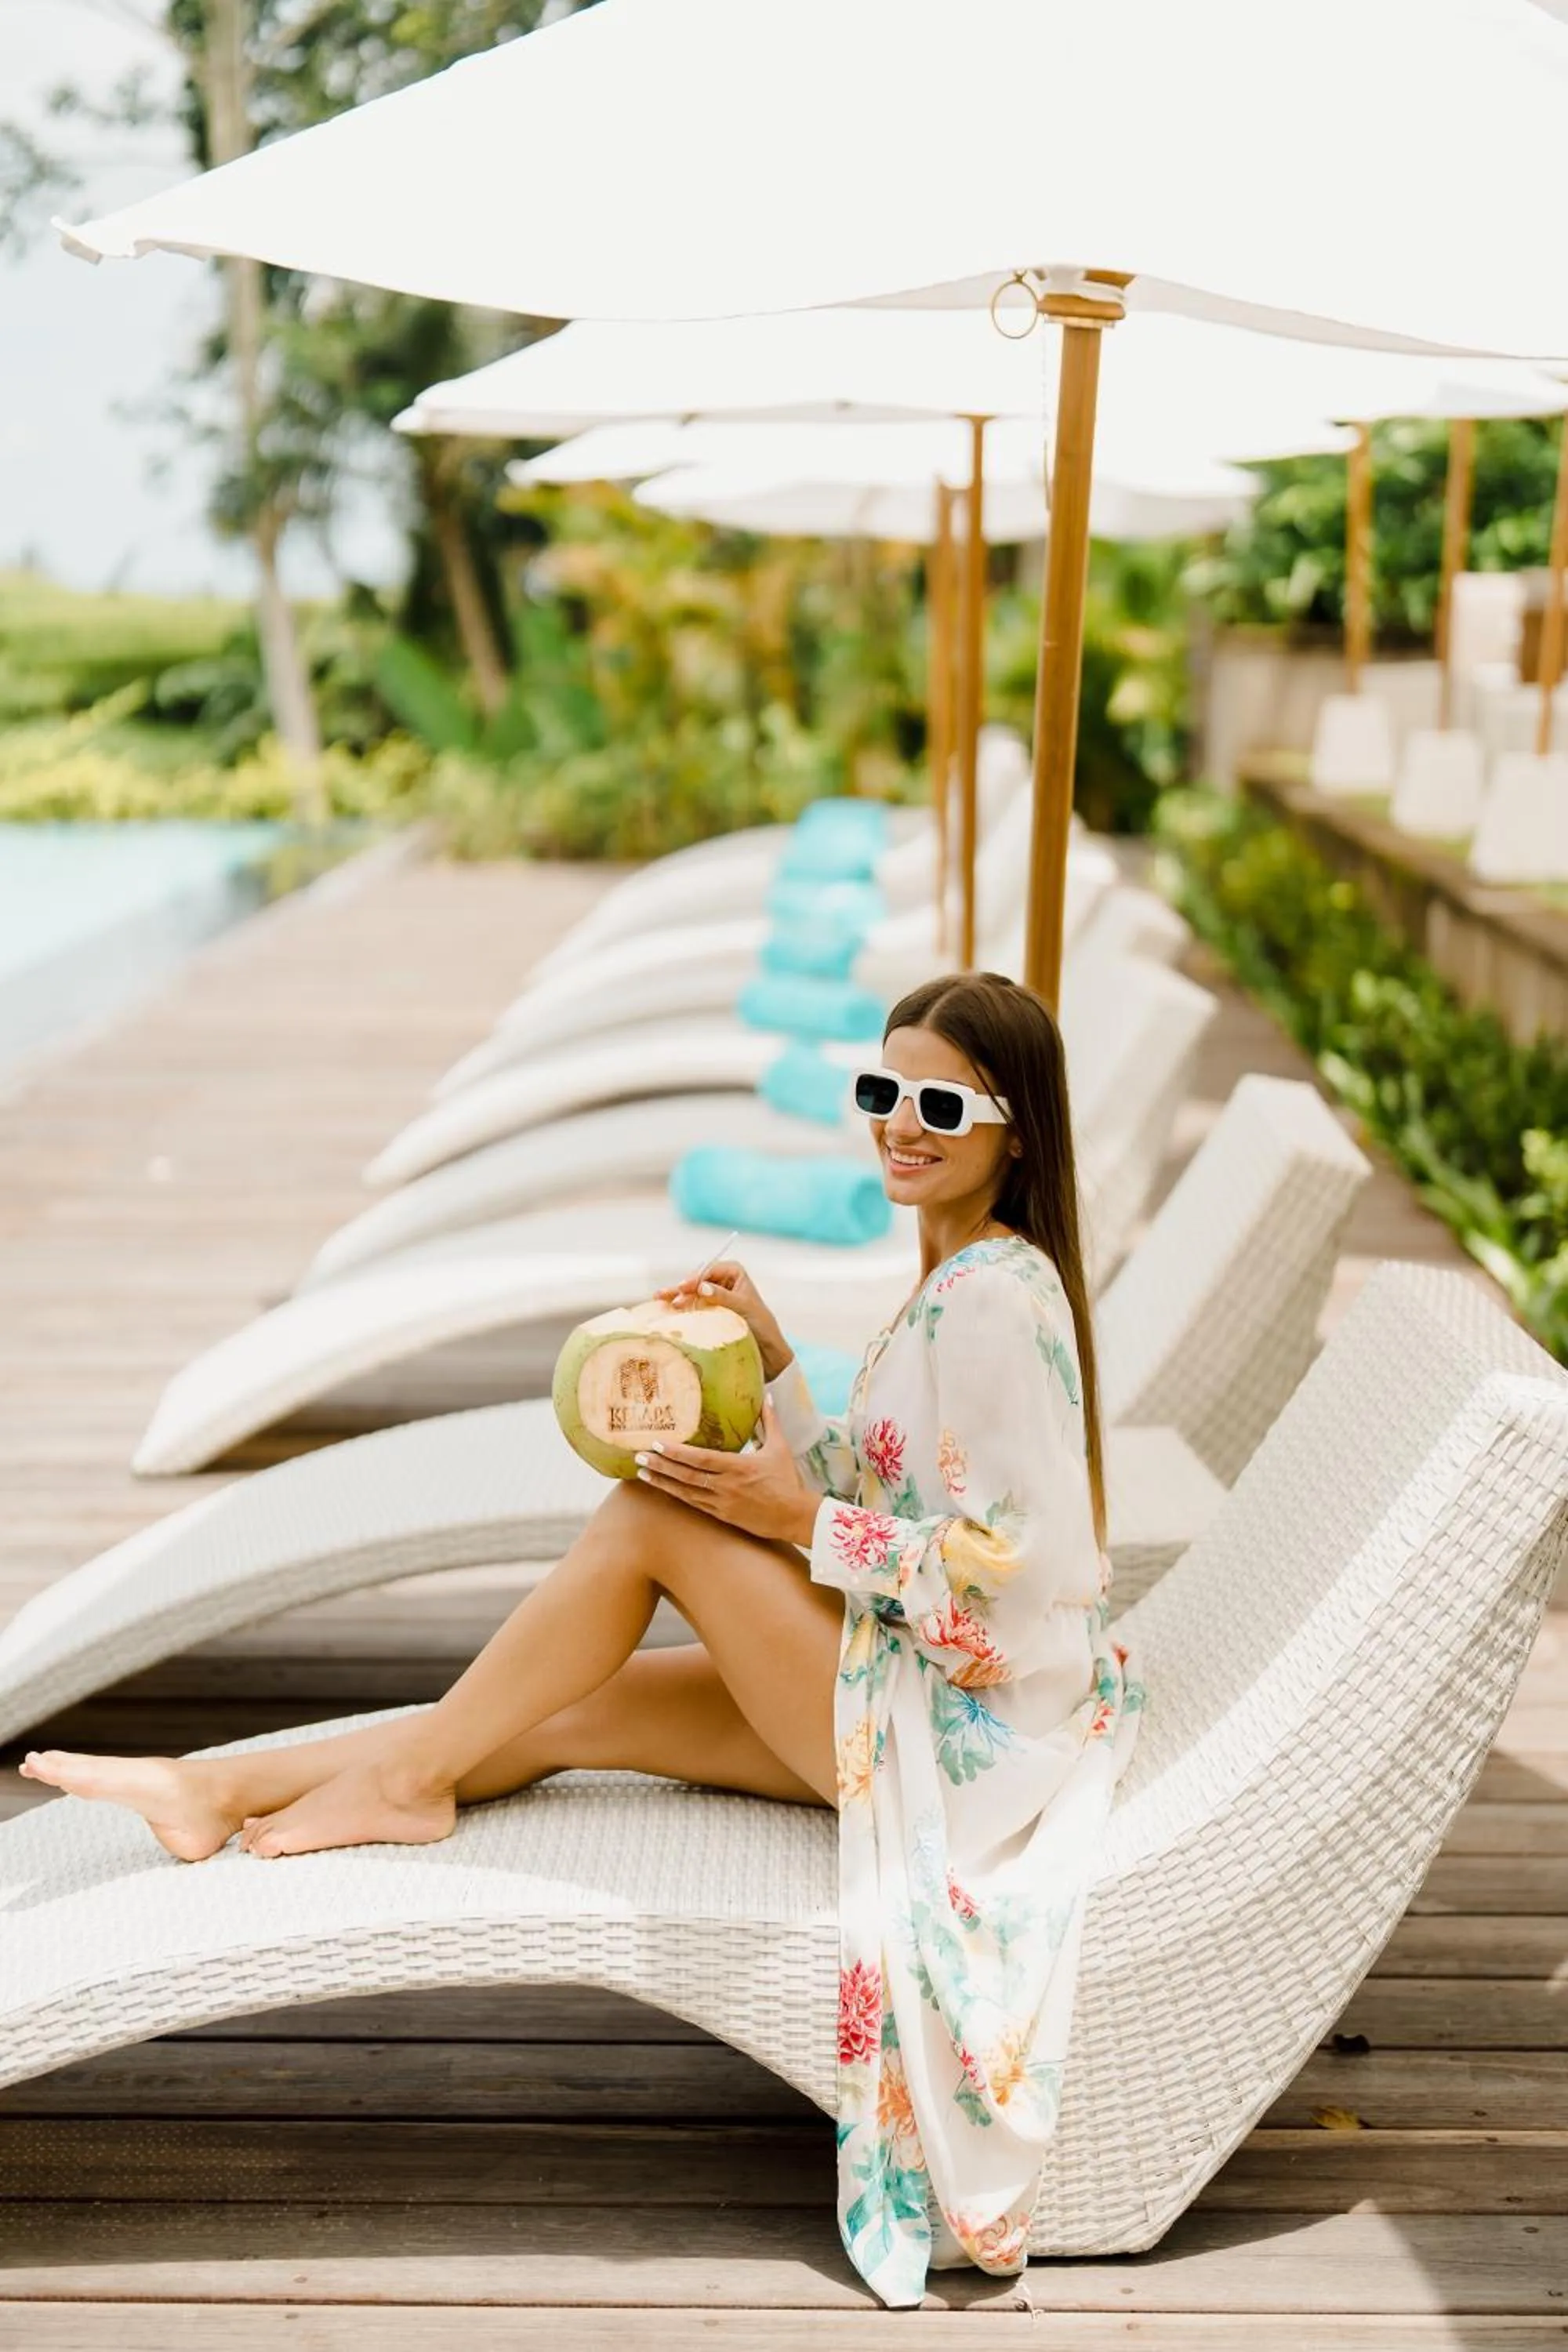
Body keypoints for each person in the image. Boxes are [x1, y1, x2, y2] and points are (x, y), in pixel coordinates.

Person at [22, 968, 1142, 2307]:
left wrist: (793, 1520)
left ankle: (401, 1782)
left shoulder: (997, 1300)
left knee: (649, 1520)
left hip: (960, 1743)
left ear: (1016, 1132)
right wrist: (779, 1367)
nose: (900, 1124)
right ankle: (216, 1788)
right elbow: (897, 1490)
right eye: (881, 1090)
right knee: (560, 1710)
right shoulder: (961, 1276)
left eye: (941, 1106)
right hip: (910, 1687)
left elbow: (1019, 1583)